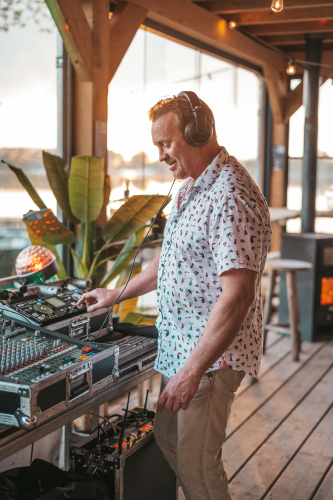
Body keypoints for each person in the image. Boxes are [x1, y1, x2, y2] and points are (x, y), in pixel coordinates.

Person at [78, 92, 272, 500]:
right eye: (156, 146)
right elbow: (168, 263)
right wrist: (115, 293)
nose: (161, 155)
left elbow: (237, 296)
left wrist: (191, 372)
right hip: (180, 347)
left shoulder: (231, 195)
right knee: (167, 442)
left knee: (197, 465)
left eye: (166, 143)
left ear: (199, 131)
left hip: (210, 357)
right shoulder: (190, 187)